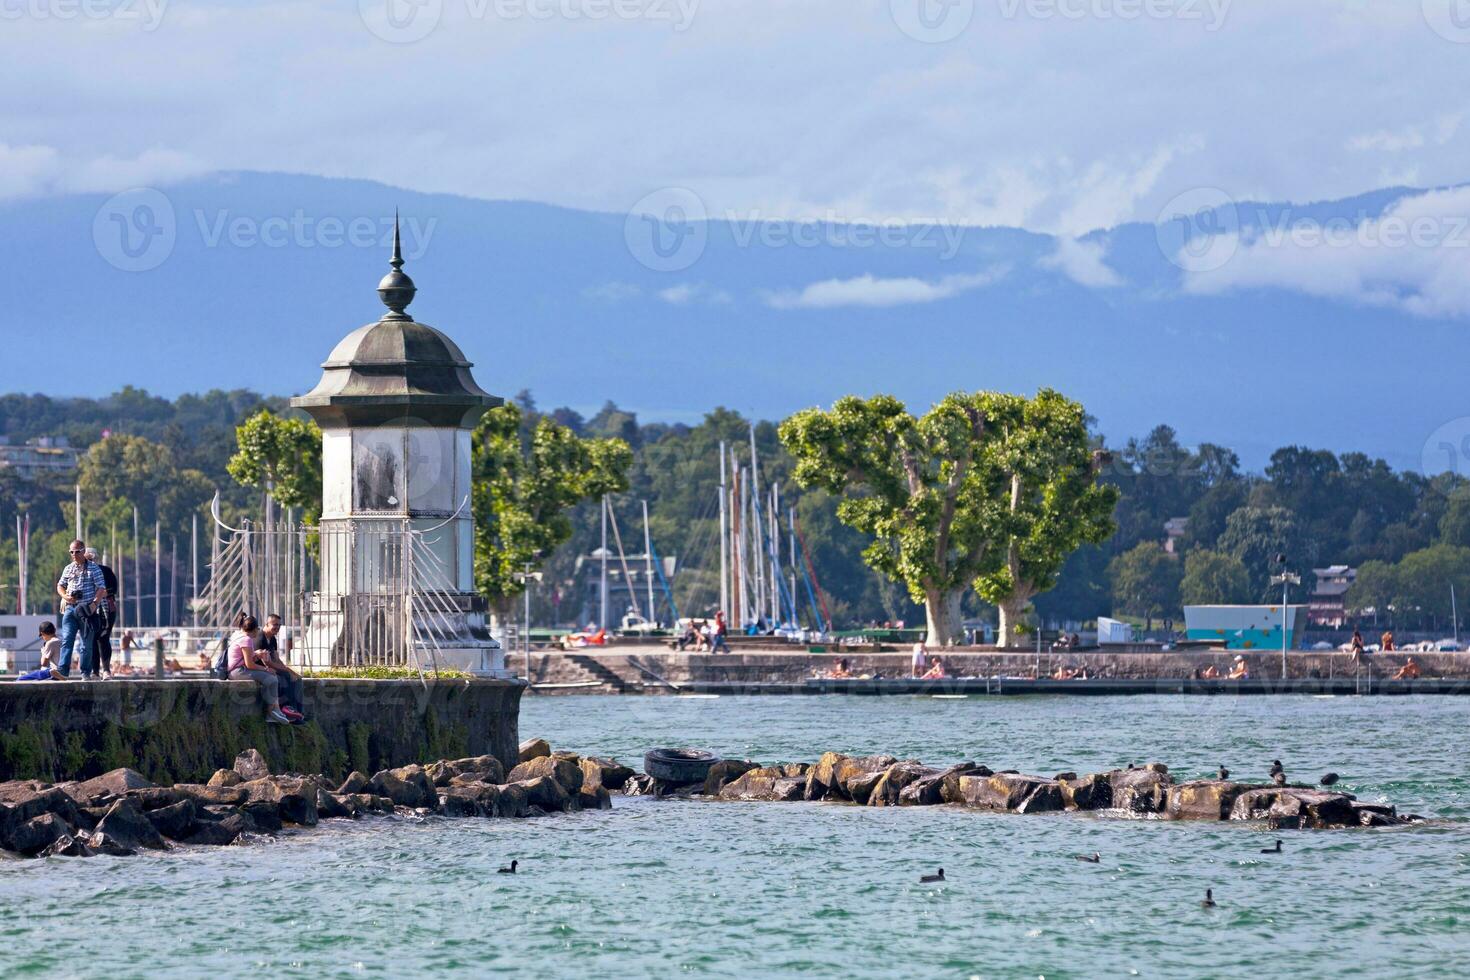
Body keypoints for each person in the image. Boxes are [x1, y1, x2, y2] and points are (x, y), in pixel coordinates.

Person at [54, 539, 108, 678]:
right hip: (70, 609)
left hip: (86, 611)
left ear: (84, 551)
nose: (74, 554)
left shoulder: (93, 568)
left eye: (77, 551)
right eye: (71, 552)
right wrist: (65, 596)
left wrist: (94, 604)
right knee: (67, 640)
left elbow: (101, 587)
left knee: (86, 644)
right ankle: (63, 672)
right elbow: (60, 585)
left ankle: (85, 673)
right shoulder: (68, 568)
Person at [227, 613, 291, 725]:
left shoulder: (244, 638)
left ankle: (275, 710)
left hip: (240, 669)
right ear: (255, 629)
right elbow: (250, 665)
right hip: (237, 671)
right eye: (258, 629)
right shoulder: (246, 640)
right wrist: (266, 669)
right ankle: (271, 712)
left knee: (272, 677)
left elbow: (247, 659)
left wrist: (257, 654)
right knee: (271, 679)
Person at [259, 613, 305, 722]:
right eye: (275, 624)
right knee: (284, 677)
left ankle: (297, 712)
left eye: (279, 625)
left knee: (298, 680)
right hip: (261, 669)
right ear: (267, 624)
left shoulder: (273, 639)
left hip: (270, 668)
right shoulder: (260, 638)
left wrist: (290, 670)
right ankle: (286, 708)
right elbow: (267, 663)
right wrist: (287, 670)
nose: (277, 627)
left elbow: (276, 659)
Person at [83, 547, 119, 679]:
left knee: (103, 639)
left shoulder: (106, 571)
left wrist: (99, 594)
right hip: (89, 609)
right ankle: (95, 671)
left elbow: (113, 589)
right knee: (91, 640)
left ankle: (106, 670)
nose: (90, 561)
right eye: (87, 559)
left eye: (92, 558)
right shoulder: (81, 572)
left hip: (106, 609)